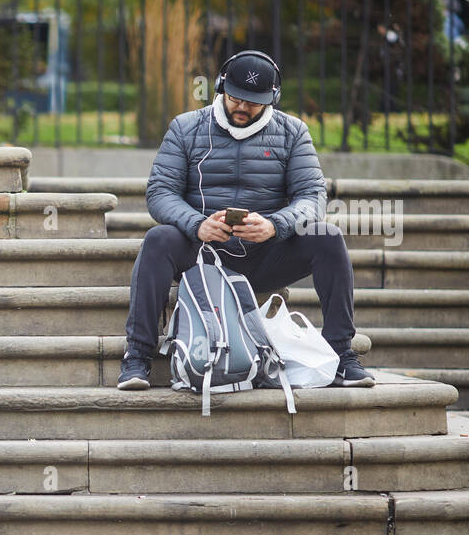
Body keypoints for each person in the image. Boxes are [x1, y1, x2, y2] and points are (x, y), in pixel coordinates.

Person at [116, 49, 374, 390]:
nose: (242, 107)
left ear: (272, 99)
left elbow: (312, 196)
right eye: (236, 98)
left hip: (267, 253)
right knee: (159, 239)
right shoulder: (185, 127)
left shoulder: (293, 132)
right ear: (221, 88)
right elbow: (160, 192)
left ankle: (342, 356)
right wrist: (197, 224)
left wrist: (275, 225)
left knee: (327, 237)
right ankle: (137, 359)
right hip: (204, 256)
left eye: (253, 102)